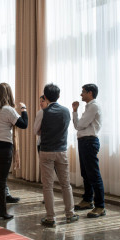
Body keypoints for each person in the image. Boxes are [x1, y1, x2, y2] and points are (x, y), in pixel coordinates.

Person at [0, 83, 28, 220]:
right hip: (2, 146)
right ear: (9, 94)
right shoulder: (8, 110)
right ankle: (0, 211)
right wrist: (24, 109)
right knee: (1, 180)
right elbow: (23, 124)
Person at [36, 83, 78, 227]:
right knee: (66, 184)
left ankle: (50, 217)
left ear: (45, 96)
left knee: (47, 185)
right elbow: (65, 127)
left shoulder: (42, 112)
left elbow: (36, 130)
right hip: (61, 150)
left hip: (46, 151)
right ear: (59, 96)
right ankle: (70, 214)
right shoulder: (66, 111)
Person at [72, 83, 105, 218]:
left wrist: (76, 114)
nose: (81, 94)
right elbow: (77, 126)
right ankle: (87, 200)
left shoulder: (94, 106)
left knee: (94, 174)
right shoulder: (88, 107)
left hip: (89, 142)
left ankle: (100, 206)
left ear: (90, 93)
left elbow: (80, 125)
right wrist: (74, 111)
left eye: (83, 92)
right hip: (84, 141)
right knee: (86, 174)